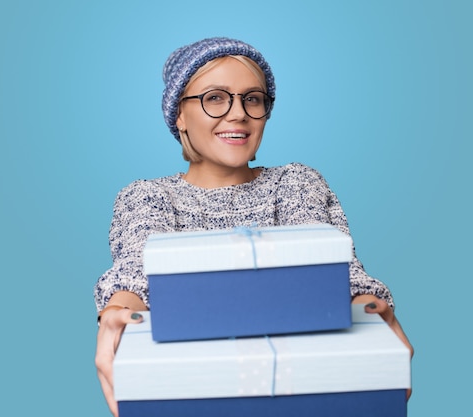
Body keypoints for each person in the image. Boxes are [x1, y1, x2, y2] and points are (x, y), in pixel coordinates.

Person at [94, 37, 413, 416]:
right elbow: (137, 270)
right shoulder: (147, 195)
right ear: (178, 113)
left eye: (253, 99)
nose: (238, 114)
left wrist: (370, 314)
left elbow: (334, 269)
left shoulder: (295, 182)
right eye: (215, 97)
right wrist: (119, 310)